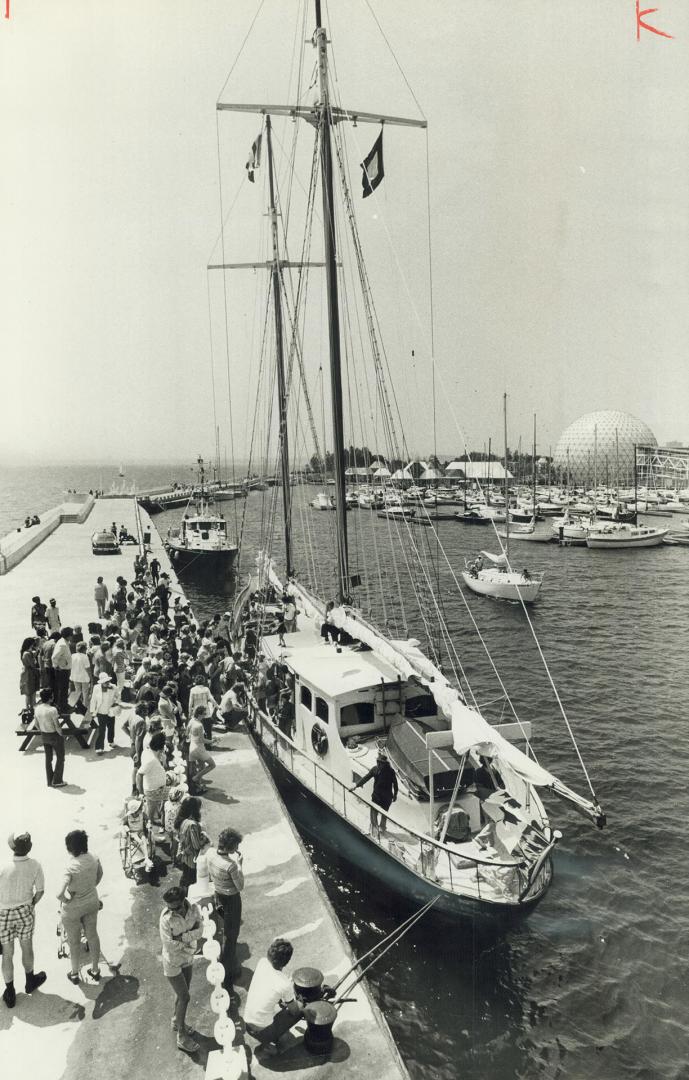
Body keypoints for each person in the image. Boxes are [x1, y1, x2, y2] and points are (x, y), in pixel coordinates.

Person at [0, 832, 47, 1008]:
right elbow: (40, 891)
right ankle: (30, 981)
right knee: (27, 947)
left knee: (7, 953)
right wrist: (31, 904)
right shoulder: (35, 865)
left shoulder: (3, 866)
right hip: (25, 911)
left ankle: (10, 992)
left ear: (12, 847)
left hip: (4, 914)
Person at [159, 886, 203, 1054]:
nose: (173, 911)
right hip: (173, 962)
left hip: (188, 957)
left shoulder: (193, 909)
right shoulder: (165, 918)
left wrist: (183, 938)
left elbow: (200, 930)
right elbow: (168, 944)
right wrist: (189, 939)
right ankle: (182, 1037)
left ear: (184, 901)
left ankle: (177, 1021)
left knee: (181, 994)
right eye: (170, 908)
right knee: (185, 997)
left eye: (176, 907)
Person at [56, 830, 103, 984]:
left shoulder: (70, 866)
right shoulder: (94, 858)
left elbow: (59, 893)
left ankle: (75, 973)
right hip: (91, 902)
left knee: (74, 942)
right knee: (93, 935)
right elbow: (100, 875)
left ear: (70, 848)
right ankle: (95, 970)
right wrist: (90, 887)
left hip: (74, 908)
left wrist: (67, 900)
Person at [244, 938, 303, 1053]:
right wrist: (296, 1001)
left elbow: (269, 984)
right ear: (287, 961)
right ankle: (269, 1042)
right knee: (300, 1007)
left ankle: (269, 1037)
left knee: (275, 1004)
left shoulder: (262, 962)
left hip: (247, 1023)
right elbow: (294, 1011)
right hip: (262, 1032)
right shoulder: (284, 984)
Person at [200, 828, 244, 981]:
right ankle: (228, 969)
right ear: (231, 847)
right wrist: (240, 866)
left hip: (218, 895)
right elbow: (240, 886)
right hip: (231, 899)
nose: (237, 849)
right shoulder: (230, 865)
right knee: (232, 935)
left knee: (223, 927)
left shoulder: (211, 853)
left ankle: (224, 958)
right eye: (236, 845)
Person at [350, 748, 398, 837]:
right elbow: (366, 778)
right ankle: (375, 829)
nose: (378, 764)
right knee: (373, 813)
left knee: (384, 813)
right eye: (377, 762)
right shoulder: (375, 769)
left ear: (385, 764)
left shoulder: (391, 771)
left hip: (387, 797)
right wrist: (356, 786)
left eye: (380, 763)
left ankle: (382, 827)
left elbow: (395, 784)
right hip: (377, 796)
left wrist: (395, 795)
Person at [174, 797, 209, 893]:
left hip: (185, 856)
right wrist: (204, 838)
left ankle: (182, 893)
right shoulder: (192, 825)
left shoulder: (182, 821)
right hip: (192, 858)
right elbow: (196, 845)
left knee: (185, 877)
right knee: (192, 881)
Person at [33, 687, 66, 787]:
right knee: (60, 758)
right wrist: (61, 735)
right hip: (54, 735)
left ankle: (49, 780)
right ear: (51, 698)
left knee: (48, 759)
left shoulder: (37, 708)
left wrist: (43, 730)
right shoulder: (52, 710)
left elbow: (36, 724)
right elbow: (57, 726)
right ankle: (57, 780)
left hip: (44, 735)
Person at [136, 731, 168, 825]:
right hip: (153, 790)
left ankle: (155, 818)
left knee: (153, 806)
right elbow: (139, 774)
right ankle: (154, 821)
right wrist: (141, 793)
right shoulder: (151, 760)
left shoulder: (147, 751)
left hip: (154, 787)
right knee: (156, 806)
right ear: (160, 747)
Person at [186, 708, 216, 792]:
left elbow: (186, 732)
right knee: (212, 765)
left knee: (202, 766)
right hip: (199, 748)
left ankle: (198, 785)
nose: (204, 716)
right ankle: (195, 779)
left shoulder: (191, 720)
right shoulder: (199, 725)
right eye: (204, 714)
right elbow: (202, 740)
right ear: (199, 715)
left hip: (192, 747)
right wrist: (212, 741)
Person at [90, 671, 120, 753]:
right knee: (101, 730)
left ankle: (111, 741)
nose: (107, 683)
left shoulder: (113, 687)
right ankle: (99, 747)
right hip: (101, 711)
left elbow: (118, 696)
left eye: (108, 681)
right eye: (105, 682)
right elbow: (93, 700)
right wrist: (92, 711)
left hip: (110, 711)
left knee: (111, 727)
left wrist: (116, 702)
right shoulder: (96, 688)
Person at [187, 676, 218, 742]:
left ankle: (200, 743)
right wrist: (217, 706)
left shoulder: (192, 690)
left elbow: (190, 703)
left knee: (198, 728)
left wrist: (190, 712)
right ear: (203, 681)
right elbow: (211, 699)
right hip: (205, 711)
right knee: (208, 729)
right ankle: (209, 744)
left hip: (196, 711)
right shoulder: (206, 689)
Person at [51, 627, 73, 713]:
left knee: (64, 689)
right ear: (68, 636)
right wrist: (57, 666)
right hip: (62, 671)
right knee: (62, 689)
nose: (72, 637)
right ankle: (62, 708)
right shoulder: (62, 644)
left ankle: (64, 705)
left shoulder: (64, 642)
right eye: (71, 635)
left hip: (64, 670)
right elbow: (54, 657)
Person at [69, 641, 92, 713]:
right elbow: (88, 668)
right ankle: (84, 707)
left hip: (75, 676)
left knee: (77, 691)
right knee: (85, 692)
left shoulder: (73, 656)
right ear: (84, 649)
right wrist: (91, 677)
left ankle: (78, 706)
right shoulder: (85, 657)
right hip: (84, 677)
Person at [19, 637, 40, 711]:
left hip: (26, 673)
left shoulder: (25, 652)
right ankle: (31, 708)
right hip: (29, 674)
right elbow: (33, 664)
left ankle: (29, 708)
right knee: (31, 692)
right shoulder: (27, 653)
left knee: (28, 693)